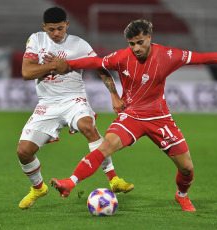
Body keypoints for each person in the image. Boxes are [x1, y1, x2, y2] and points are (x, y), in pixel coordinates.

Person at [48, 19, 217, 212]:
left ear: (149, 37)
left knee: (187, 168)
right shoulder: (121, 57)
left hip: (159, 118)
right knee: (105, 147)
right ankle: (70, 182)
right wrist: (67, 65)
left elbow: (202, 58)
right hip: (131, 115)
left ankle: (182, 195)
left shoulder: (169, 56)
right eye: (132, 44)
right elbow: (95, 63)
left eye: (140, 42)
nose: (136, 48)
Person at [17, 7, 134, 210]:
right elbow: (27, 72)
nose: (56, 33)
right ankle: (38, 188)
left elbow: (101, 68)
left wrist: (114, 95)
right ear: (44, 27)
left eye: (60, 28)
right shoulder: (36, 40)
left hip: (74, 100)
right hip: (47, 104)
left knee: (88, 126)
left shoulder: (79, 44)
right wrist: (55, 66)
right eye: (51, 29)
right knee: (23, 151)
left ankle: (113, 179)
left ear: (67, 25)